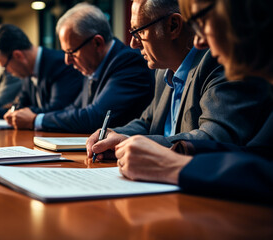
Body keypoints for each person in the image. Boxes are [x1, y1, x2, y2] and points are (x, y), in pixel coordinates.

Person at [115, 0, 273, 202]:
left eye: (202, 21)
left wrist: (171, 165)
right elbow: (257, 156)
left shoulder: (212, 64)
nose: (198, 42)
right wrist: (180, 149)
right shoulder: (164, 71)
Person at [87, 0, 272, 158]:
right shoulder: (163, 69)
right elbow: (148, 122)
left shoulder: (217, 61)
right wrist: (116, 136)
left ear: (173, 26)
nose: (133, 43)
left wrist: (138, 145)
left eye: (139, 32)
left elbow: (216, 139)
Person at [6, 3, 154, 133]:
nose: (67, 61)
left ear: (97, 43)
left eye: (71, 52)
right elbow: (73, 109)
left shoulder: (129, 62)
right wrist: (35, 117)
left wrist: (36, 120)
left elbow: (95, 117)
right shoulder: (93, 65)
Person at [0, 24, 84, 120]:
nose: (6, 71)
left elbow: (57, 110)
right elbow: (19, 105)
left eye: (4, 66)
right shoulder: (27, 72)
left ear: (18, 56)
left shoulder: (61, 64)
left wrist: (24, 112)